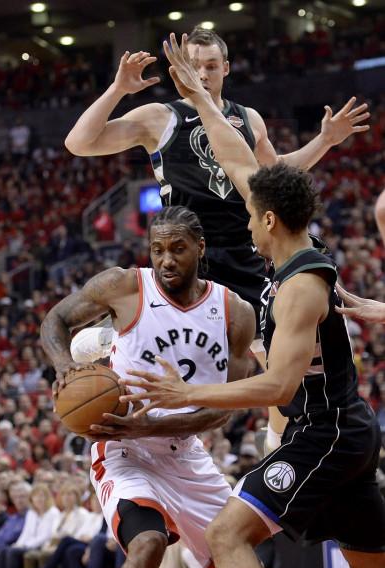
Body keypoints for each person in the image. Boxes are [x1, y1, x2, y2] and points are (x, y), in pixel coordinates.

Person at [121, 34, 385, 568]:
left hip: (326, 432)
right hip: (343, 430)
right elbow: (232, 152)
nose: (242, 226)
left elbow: (278, 383)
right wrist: (201, 97)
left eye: (248, 218)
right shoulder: (285, 245)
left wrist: (178, 395)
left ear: (267, 221)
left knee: (227, 535)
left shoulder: (300, 287)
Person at [65, 27, 370, 448]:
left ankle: (277, 448)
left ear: (226, 68)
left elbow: (274, 178)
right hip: (188, 251)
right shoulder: (160, 116)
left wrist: (325, 140)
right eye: (195, 66)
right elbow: (79, 143)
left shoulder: (248, 118)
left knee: (276, 365)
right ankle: (112, 337)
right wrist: (119, 88)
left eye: (212, 66)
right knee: (178, 341)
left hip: (245, 251)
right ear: (180, 69)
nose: (204, 74)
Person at [40, 205, 256, 568]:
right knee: (148, 546)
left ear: (200, 248)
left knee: (241, 557)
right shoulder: (124, 286)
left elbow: (225, 410)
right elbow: (54, 320)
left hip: (185, 453)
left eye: (178, 248)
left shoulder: (235, 313)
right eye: (157, 249)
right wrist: (64, 367)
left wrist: (149, 426)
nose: (166, 260)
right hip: (124, 449)